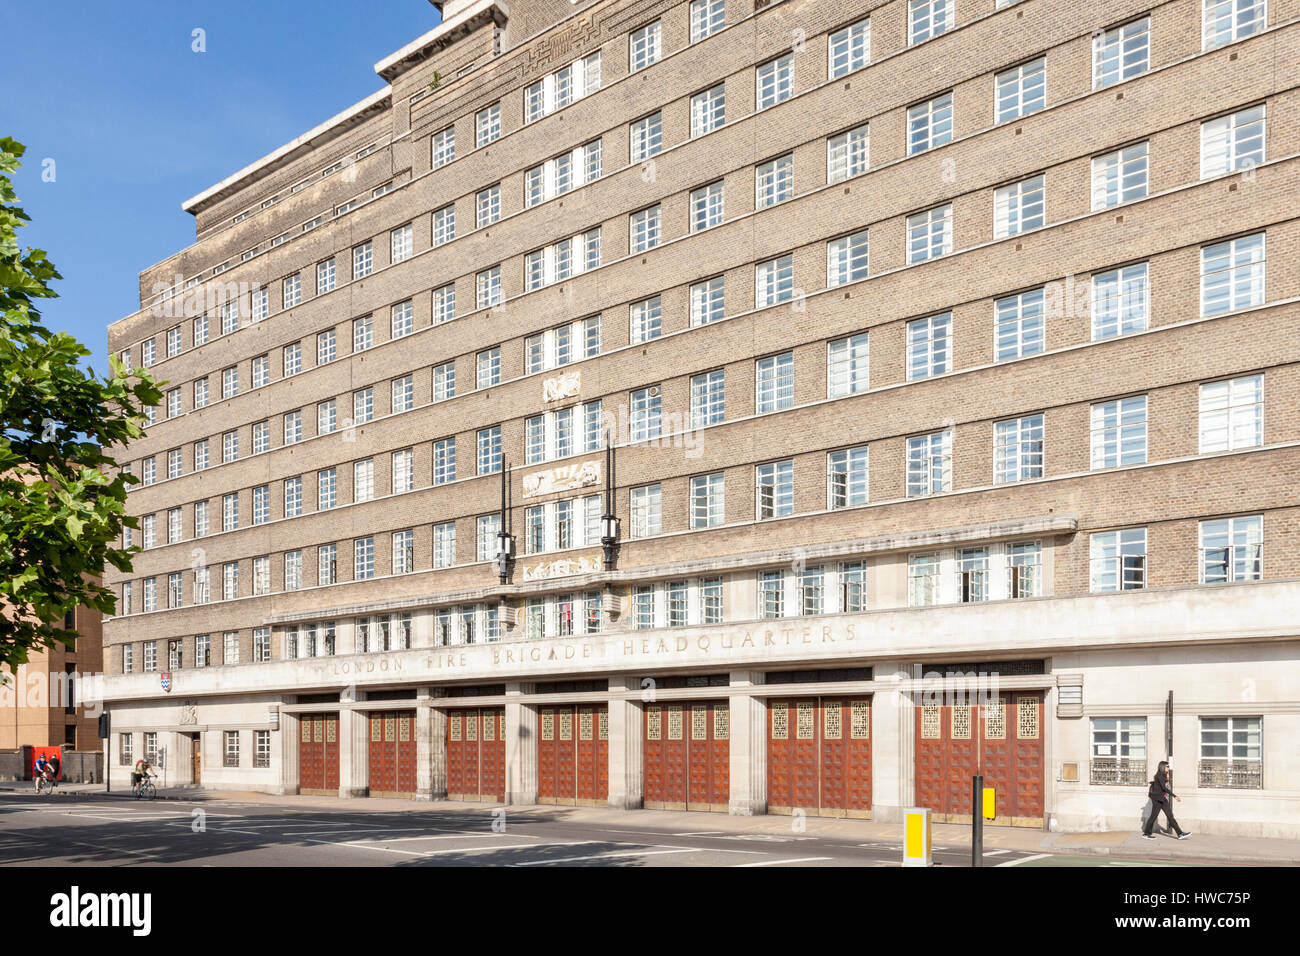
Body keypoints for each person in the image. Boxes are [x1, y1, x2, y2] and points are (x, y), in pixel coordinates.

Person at [1142, 761, 1191, 840]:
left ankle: (1180, 834)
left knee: (1170, 816)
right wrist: (1174, 796)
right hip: (1157, 799)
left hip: (1162, 799)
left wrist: (1167, 779)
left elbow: (1164, 786)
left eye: (1168, 766)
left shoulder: (1163, 775)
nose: (1168, 768)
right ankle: (1146, 833)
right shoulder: (1159, 776)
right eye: (1167, 766)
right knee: (1153, 817)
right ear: (1162, 767)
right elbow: (1164, 788)